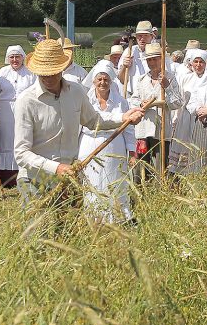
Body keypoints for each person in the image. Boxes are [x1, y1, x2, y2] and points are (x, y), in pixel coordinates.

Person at [14, 39, 145, 205]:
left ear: (63, 68)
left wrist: (122, 117)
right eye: (43, 73)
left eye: (52, 72)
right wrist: (56, 167)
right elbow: (21, 153)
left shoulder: (75, 92)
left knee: (66, 229)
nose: (48, 77)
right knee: (41, 229)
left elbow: (94, 120)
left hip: (68, 179)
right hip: (35, 180)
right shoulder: (26, 101)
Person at [77, 60, 137, 222]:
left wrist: (132, 151)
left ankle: (117, 217)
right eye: (99, 79)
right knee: (93, 181)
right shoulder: (86, 101)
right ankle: (95, 217)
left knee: (114, 179)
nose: (103, 83)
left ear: (111, 81)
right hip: (90, 144)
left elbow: (129, 128)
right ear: (94, 81)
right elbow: (78, 126)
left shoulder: (121, 102)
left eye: (106, 79)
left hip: (114, 146)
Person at [129, 43, 183, 180]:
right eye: (149, 60)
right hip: (143, 129)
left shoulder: (169, 78)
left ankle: (160, 195)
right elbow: (133, 100)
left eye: (155, 59)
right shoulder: (142, 79)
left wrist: (167, 87)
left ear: (161, 59)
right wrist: (141, 104)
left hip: (161, 130)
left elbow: (177, 103)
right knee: (141, 169)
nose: (152, 62)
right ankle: (141, 196)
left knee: (161, 168)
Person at [0, 45, 36, 187]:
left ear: (22, 58)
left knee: (22, 138)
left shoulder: (30, 73)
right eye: (12, 57)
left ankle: (23, 173)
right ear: (8, 58)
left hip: (24, 109)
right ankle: (5, 175)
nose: (14, 60)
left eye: (17, 57)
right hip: (5, 108)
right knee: (5, 140)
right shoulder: (2, 72)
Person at [168, 49, 207, 175]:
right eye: (195, 62)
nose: (198, 65)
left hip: (202, 118)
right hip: (185, 118)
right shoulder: (186, 79)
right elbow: (180, 100)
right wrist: (176, 117)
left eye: (201, 62)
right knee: (183, 145)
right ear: (191, 63)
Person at [118, 20, 155, 96]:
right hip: (131, 95)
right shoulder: (129, 51)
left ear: (151, 37)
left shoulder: (157, 53)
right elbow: (122, 80)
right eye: (140, 36)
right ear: (136, 37)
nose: (142, 39)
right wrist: (124, 67)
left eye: (146, 35)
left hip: (151, 96)